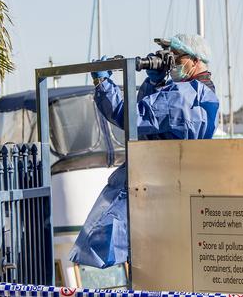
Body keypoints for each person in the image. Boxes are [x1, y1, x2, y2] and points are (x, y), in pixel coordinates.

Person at [69, 34, 220, 268]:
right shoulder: (199, 92)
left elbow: (130, 115)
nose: (172, 63)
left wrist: (103, 84)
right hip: (171, 186)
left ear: (195, 60)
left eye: (176, 57)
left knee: (109, 236)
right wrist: (155, 83)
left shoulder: (184, 96)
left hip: (152, 183)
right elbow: (156, 119)